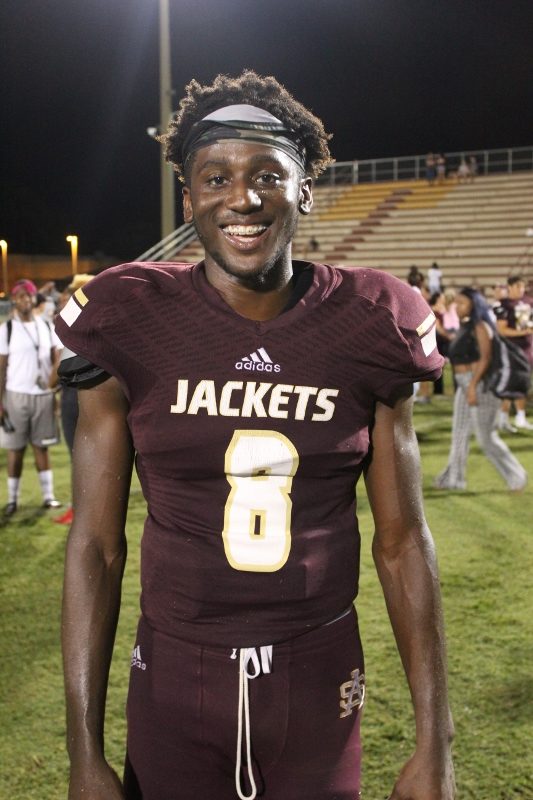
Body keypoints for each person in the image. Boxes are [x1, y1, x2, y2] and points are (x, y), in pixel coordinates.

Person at [57, 70, 455, 800]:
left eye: (268, 175)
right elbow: (95, 547)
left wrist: (436, 743)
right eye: (216, 178)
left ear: (305, 190)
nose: (241, 198)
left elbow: (403, 543)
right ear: (189, 198)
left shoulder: (372, 321)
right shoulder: (130, 317)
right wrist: (84, 753)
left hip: (319, 674)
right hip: (174, 672)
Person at [434, 287, 527, 492]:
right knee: (459, 434)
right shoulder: (465, 326)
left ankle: (517, 476)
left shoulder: (481, 326)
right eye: (456, 302)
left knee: (486, 438)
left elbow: (485, 358)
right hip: (464, 384)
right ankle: (454, 479)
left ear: (474, 306)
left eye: (462, 303)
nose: (457, 306)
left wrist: (473, 386)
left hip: (481, 384)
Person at [0, 279, 62, 515]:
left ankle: (49, 497)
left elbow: (57, 357)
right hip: (16, 395)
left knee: (42, 447)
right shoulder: (6, 329)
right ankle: (13, 500)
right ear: (14, 300)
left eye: (28, 296)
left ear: (34, 298)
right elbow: (1, 369)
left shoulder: (46, 326)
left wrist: (53, 386)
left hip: (43, 395)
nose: (25, 300)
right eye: (20, 296)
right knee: (15, 449)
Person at [51, 274, 95, 525]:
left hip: (74, 396)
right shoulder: (101, 320)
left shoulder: (72, 324)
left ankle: (79, 511)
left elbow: (61, 367)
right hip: (99, 397)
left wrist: (48, 386)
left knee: (78, 457)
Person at [493, 275, 533, 431]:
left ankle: (520, 416)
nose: (521, 289)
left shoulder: (528, 302)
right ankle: (503, 417)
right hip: (510, 349)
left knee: (523, 382)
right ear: (509, 287)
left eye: (522, 286)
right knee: (509, 382)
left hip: (527, 348)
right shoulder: (504, 305)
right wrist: (523, 332)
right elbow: (501, 330)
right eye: (517, 286)